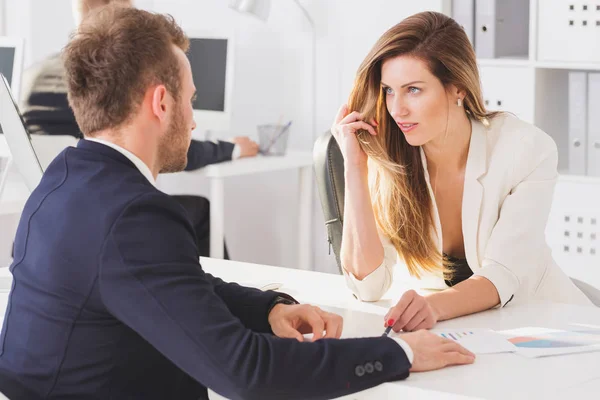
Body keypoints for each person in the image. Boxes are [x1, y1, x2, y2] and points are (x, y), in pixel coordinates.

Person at [0, 6, 475, 399]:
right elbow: (247, 373)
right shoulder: (133, 216)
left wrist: (269, 309)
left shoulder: (62, 181)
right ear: (161, 103)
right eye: (191, 100)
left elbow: (174, 282)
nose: (192, 121)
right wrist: (401, 355)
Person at [331, 11, 591, 334]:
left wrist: (431, 308)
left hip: (554, 329)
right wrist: (355, 166)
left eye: (413, 89)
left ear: (458, 89)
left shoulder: (526, 149)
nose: (397, 109)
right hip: (469, 337)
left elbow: (502, 275)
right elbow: (368, 287)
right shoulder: (390, 159)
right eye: (388, 90)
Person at [18, 0, 259, 258]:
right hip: (102, 214)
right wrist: (232, 148)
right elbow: (166, 141)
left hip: (52, 218)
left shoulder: (36, 73)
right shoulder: (110, 75)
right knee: (195, 211)